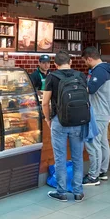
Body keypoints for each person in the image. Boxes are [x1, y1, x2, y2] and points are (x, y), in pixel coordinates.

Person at [42, 51, 89, 202]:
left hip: (59, 121)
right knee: (77, 157)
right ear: (70, 62)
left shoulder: (52, 77)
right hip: (79, 121)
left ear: (55, 64)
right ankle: (78, 192)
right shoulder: (80, 76)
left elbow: (44, 102)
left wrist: (48, 119)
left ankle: (61, 192)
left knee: (60, 157)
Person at [81, 46, 110, 186]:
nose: (85, 63)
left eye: (85, 61)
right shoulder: (106, 68)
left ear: (89, 58)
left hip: (98, 112)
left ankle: (93, 176)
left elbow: (91, 89)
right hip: (104, 111)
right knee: (102, 142)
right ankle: (102, 171)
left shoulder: (99, 71)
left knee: (93, 143)